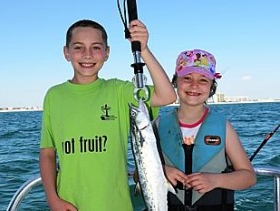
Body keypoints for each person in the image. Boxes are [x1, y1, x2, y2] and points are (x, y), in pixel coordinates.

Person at [39, 18, 177, 211]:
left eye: (96, 47)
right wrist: (53, 200)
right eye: (78, 47)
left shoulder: (118, 91)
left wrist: (143, 49)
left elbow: (167, 95)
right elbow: (47, 153)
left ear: (107, 53)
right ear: (66, 52)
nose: (87, 55)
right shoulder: (54, 96)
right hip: (68, 204)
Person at [155, 49, 256, 211]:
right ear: (175, 82)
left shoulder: (224, 127)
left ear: (211, 87)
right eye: (187, 78)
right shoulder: (157, 126)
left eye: (203, 80)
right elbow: (139, 174)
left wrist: (215, 180)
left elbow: (248, 177)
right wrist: (160, 172)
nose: (194, 85)